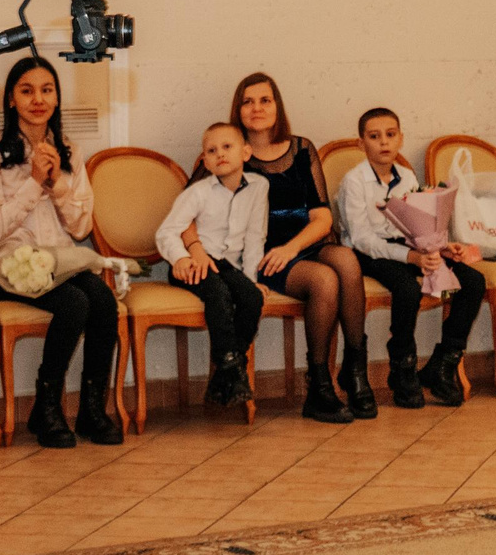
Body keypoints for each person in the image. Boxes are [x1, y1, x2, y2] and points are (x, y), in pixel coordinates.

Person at [0, 55, 124, 449]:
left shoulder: (70, 151)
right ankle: (47, 406)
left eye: (46, 90)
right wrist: (33, 183)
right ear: (10, 100)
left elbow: (81, 228)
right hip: (11, 268)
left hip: (63, 262)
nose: (37, 99)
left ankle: (93, 409)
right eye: (26, 91)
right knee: (74, 305)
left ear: (56, 98)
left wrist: (56, 184)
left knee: (103, 300)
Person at [233, 73, 370, 423]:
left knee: (347, 261)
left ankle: (355, 369)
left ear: (277, 106)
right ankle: (319, 386)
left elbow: (322, 217)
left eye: (265, 100)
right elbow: (192, 206)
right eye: (248, 101)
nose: (257, 108)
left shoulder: (302, 148)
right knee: (324, 280)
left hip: (302, 244)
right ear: (238, 110)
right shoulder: (230, 152)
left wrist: (292, 248)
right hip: (263, 254)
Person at [334, 106, 483, 407]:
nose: (384, 142)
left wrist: (441, 248)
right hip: (368, 254)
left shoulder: (406, 175)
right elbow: (362, 238)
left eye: (390, 135)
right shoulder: (354, 181)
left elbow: (419, 223)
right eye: (374, 137)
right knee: (407, 288)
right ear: (361, 144)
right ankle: (402, 367)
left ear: (401, 138)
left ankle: (443, 365)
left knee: (472, 280)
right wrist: (411, 258)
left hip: (410, 248)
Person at [158, 122, 268, 408]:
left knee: (252, 297)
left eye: (227, 147)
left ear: (246, 152)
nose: (220, 154)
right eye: (212, 150)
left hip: (226, 265)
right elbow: (167, 231)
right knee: (218, 294)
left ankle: (226, 372)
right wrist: (182, 258)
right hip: (191, 264)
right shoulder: (197, 193)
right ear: (205, 161)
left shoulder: (259, 187)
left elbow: (256, 236)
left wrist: (251, 277)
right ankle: (231, 366)